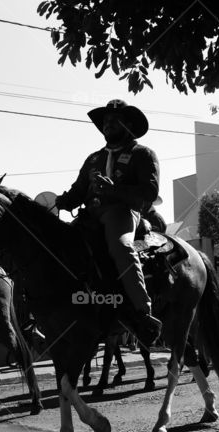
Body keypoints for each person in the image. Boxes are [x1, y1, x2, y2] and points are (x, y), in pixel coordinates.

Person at [55, 99, 162, 345]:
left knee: (121, 247)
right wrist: (63, 201)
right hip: (89, 216)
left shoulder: (142, 154)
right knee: (60, 246)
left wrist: (115, 190)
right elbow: (78, 191)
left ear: (129, 125)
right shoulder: (93, 159)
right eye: (105, 121)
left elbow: (149, 193)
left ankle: (142, 311)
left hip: (121, 213)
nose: (108, 124)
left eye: (115, 120)